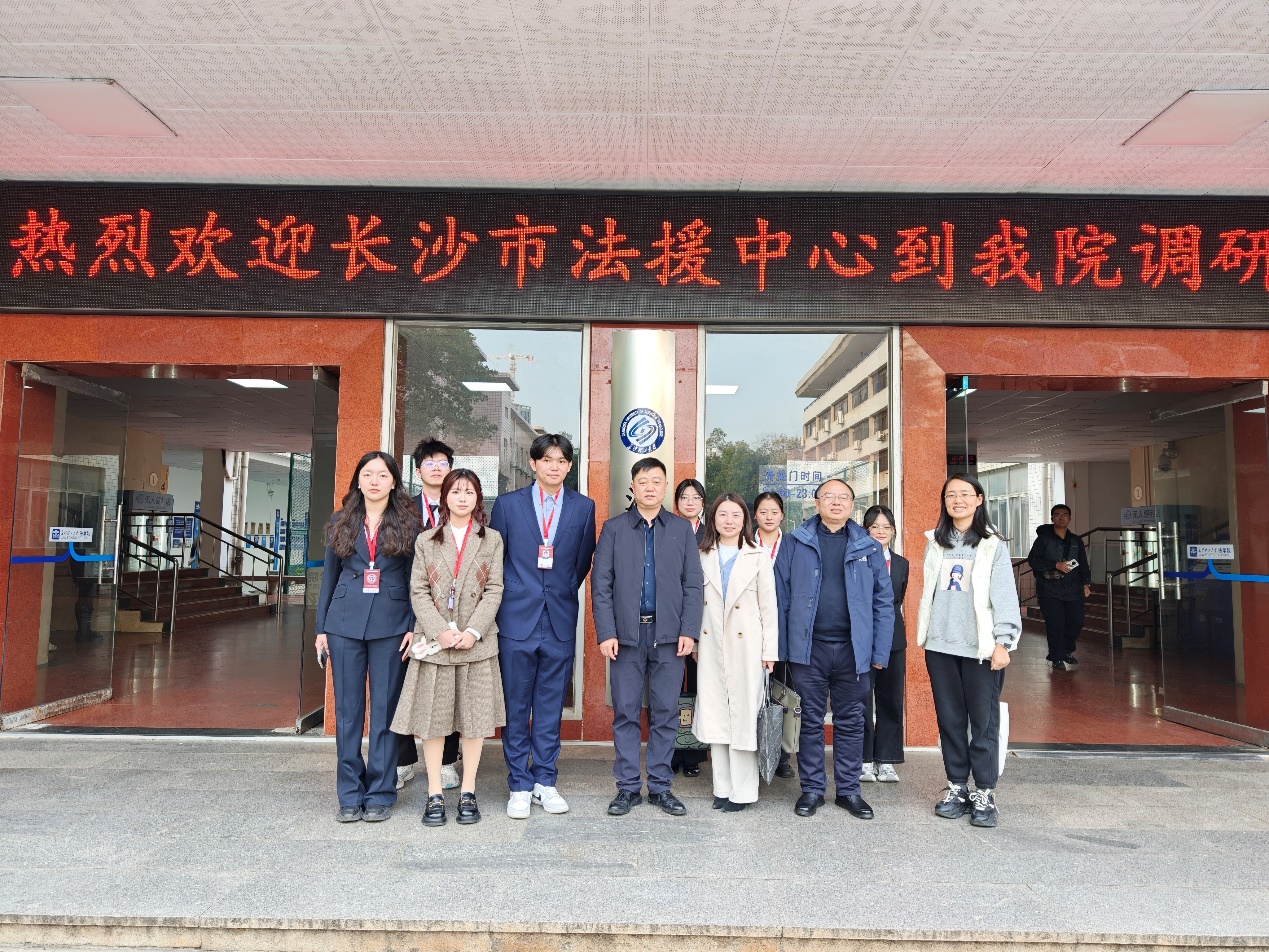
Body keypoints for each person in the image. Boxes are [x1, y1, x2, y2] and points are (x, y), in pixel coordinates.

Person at [489, 433, 596, 820]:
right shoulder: (508, 505)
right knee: (516, 705)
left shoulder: (583, 507)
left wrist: (560, 590)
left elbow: (582, 561)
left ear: (569, 466)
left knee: (550, 706)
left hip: (559, 618)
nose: (554, 466)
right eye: (547, 459)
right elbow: (496, 559)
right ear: (533, 464)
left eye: (561, 460)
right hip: (516, 617)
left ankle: (545, 781)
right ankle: (519, 783)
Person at [775, 478, 893, 820]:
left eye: (843, 497)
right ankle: (812, 789)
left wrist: (879, 652)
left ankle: (849, 791)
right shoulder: (795, 542)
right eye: (829, 496)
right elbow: (780, 596)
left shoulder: (868, 546)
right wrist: (781, 649)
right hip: (808, 649)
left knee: (852, 721)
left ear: (852, 505)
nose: (836, 502)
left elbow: (883, 602)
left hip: (854, 650)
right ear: (817, 503)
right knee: (809, 721)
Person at [393, 468, 505, 827]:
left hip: (477, 644)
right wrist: (439, 631)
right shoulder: (426, 539)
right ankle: (434, 794)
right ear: (445, 498)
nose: (462, 498)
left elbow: (495, 589)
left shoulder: (491, 539)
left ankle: (468, 791)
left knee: (474, 721)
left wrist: (473, 631)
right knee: (433, 720)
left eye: (469, 492)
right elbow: (418, 590)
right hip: (436, 644)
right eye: (455, 492)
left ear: (478, 499)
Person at [593, 457, 704, 817]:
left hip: (669, 635)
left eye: (657, 481)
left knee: (666, 712)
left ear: (665, 486)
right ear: (633, 486)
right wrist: (606, 632)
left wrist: (689, 630)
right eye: (643, 481)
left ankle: (659, 786)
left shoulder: (681, 529)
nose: (650, 487)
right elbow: (601, 585)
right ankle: (627, 787)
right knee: (625, 712)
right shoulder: (614, 528)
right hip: (625, 636)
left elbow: (693, 584)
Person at [314, 451, 420, 823]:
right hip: (343, 623)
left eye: (382, 475)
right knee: (347, 713)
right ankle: (349, 793)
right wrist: (321, 629)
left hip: (392, 625)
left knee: (385, 714)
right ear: (358, 480)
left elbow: (415, 581)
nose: (375, 481)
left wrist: (414, 626)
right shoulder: (340, 520)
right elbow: (329, 578)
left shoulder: (409, 523)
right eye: (368, 474)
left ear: (394, 482)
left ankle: (380, 792)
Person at [916, 473, 1022, 829]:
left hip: (981, 648)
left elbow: (1004, 595)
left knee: (983, 722)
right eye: (950, 495)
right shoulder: (936, 543)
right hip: (940, 645)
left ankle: (985, 792)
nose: (957, 500)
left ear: (979, 499)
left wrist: (1003, 642)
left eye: (964, 494)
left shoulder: (992, 544)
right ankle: (957, 787)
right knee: (950, 721)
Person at [693, 494, 778, 811]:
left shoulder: (758, 555)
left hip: (748, 647)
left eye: (735, 515)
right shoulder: (701, 554)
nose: (729, 521)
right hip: (711, 644)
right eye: (722, 515)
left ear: (745, 520)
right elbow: (693, 603)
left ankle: (743, 792)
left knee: (743, 717)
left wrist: (770, 651)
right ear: (713, 519)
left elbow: (769, 608)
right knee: (716, 714)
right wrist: (695, 643)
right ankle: (721, 788)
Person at [396, 438, 462, 793]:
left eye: (443, 463)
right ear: (418, 470)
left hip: (450, 615)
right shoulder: (400, 509)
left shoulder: (464, 508)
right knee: (400, 688)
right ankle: (404, 760)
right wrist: (411, 621)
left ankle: (447, 760)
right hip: (403, 612)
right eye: (429, 463)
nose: (437, 468)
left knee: (446, 690)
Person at [860, 505, 908, 784]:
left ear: (893, 531)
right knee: (862, 699)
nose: (880, 531)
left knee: (890, 699)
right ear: (866, 531)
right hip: (863, 639)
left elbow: (897, 601)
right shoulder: (857, 559)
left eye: (886, 527)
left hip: (893, 640)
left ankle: (887, 759)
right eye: (874, 527)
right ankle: (864, 759)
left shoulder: (901, 563)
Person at [753, 490, 795, 779]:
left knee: (783, 692)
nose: (769, 517)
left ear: (782, 515)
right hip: (751, 629)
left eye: (774, 512)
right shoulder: (744, 543)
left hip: (786, 629)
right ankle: (754, 750)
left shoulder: (794, 545)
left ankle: (782, 755)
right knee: (753, 692)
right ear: (755, 515)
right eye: (763, 511)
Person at [672, 477, 709, 778]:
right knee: (668, 689)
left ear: (703, 503)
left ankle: (693, 752)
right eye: (685, 497)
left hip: (704, 620)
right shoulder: (666, 529)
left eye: (696, 497)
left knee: (699, 687)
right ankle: (670, 750)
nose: (690, 502)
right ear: (677, 502)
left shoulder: (712, 535)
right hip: (670, 618)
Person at [1027, 504, 1092, 671]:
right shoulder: (1043, 539)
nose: (1061, 517)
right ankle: (1056, 657)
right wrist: (1055, 564)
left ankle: (1065, 650)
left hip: (1073, 589)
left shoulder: (1076, 541)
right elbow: (1033, 560)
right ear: (1052, 518)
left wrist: (1085, 583)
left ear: (1070, 519)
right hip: (1049, 589)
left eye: (1065, 515)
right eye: (1057, 515)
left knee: (1076, 622)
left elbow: (1083, 563)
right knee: (1055, 624)